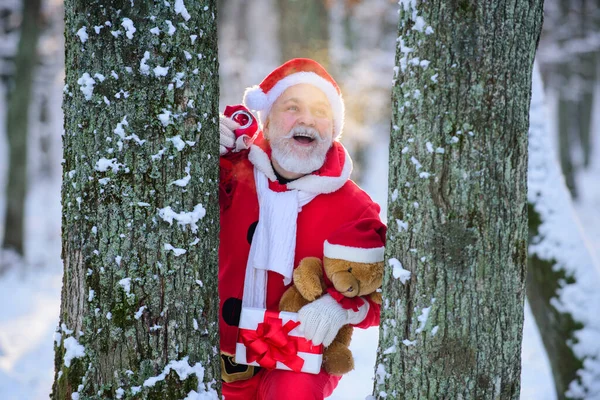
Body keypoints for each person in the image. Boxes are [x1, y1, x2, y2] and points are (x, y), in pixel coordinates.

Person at [218, 58, 385, 400]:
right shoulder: (230, 171)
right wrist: (199, 150)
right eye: (292, 107)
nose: (307, 119)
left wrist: (342, 307)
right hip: (209, 354)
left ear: (333, 127)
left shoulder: (355, 207)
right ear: (266, 119)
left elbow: (387, 292)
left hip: (294, 363)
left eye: (320, 111)